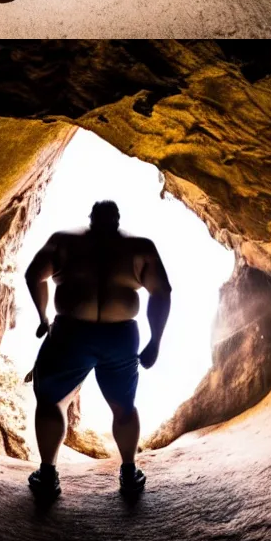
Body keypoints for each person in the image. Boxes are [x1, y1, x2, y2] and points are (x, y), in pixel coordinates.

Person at [22, 200, 173, 499]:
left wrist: (44, 319)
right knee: (123, 407)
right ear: (116, 218)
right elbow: (161, 291)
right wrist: (154, 341)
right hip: (117, 336)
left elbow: (33, 275)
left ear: (91, 217)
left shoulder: (64, 242)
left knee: (52, 400)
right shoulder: (139, 248)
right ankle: (128, 472)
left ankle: (49, 474)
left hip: (71, 334)